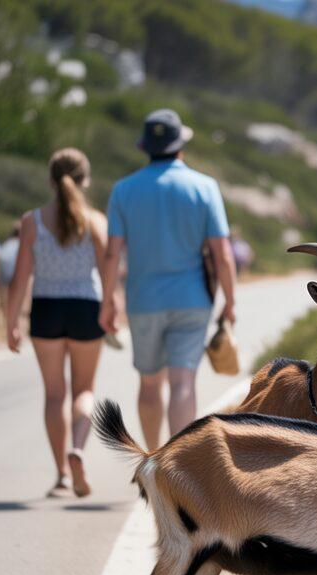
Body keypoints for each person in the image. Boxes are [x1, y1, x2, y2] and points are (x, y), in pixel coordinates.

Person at [100, 109, 238, 448]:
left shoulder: (123, 190)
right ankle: (176, 465)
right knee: (183, 383)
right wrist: (230, 302)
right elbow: (222, 253)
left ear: (146, 146)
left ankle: (152, 460)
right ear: (180, 147)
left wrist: (107, 301)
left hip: (143, 301)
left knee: (149, 385)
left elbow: (112, 253)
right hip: (193, 301)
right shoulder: (205, 187)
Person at [6, 148, 106, 498]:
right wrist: (111, 306)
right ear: (86, 180)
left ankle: (62, 474)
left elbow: (19, 279)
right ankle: (77, 447)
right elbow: (109, 269)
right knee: (85, 391)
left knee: (54, 393)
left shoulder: (31, 221)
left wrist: (11, 322)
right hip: (86, 307)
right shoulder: (95, 221)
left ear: (51, 180)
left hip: (46, 308)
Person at [0, 221, 21, 318]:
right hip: (14, 275)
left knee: (5, 301)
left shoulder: (6, 244)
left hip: (3, 275)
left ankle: (6, 319)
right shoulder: (22, 244)